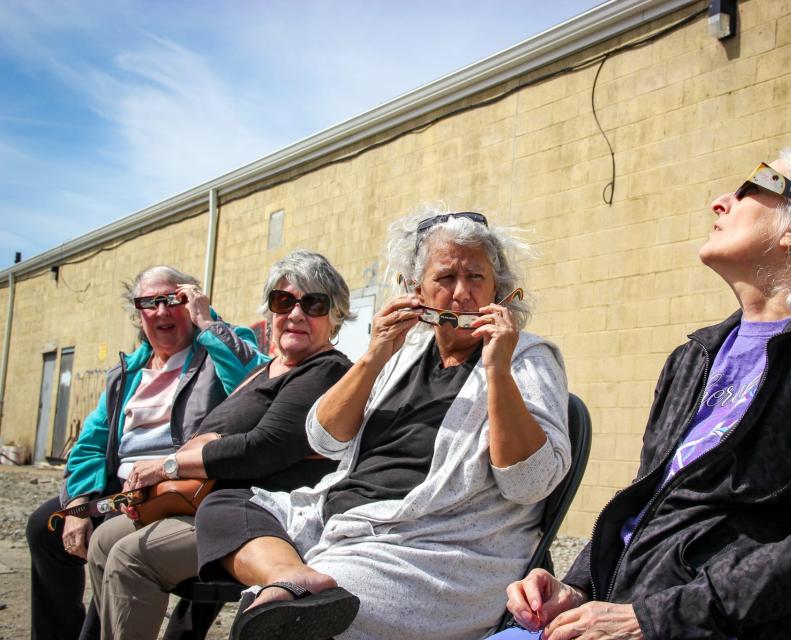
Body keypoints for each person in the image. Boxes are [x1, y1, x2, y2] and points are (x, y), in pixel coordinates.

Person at [502, 147, 791, 640]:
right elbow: (654, 503)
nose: (720, 202)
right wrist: (576, 590)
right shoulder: (696, 355)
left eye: (752, 187)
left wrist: (652, 620)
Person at [192, 209, 572, 640]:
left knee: (303, 615)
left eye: (476, 277)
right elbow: (324, 438)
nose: (462, 293)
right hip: (342, 520)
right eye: (445, 278)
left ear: (498, 289)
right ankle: (292, 578)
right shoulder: (404, 351)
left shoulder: (527, 357)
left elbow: (530, 483)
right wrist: (375, 354)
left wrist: (498, 371)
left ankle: (304, 591)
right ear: (417, 291)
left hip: (431, 547)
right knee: (226, 506)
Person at [83, 250, 354, 640]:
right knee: (104, 541)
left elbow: (264, 447)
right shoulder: (268, 368)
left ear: (336, 316)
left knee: (129, 559)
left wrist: (169, 466)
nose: (295, 313)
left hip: (253, 510)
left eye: (313, 304)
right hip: (206, 495)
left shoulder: (325, 370)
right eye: (284, 301)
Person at [26, 266, 263, 640]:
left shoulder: (217, 349)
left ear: (190, 301)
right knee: (45, 527)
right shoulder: (127, 373)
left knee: (118, 547)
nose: (162, 311)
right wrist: (79, 503)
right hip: (121, 487)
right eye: (149, 303)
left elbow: (256, 390)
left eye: (173, 299)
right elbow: (90, 442)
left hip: (181, 487)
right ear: (138, 313)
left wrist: (208, 321)